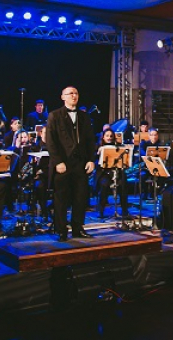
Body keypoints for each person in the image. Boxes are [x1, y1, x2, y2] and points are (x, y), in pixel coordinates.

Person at [47, 86, 96, 241]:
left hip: (80, 164)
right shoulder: (54, 115)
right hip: (63, 163)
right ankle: (61, 230)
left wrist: (91, 159)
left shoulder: (85, 116)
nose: (74, 96)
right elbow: (51, 141)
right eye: (70, 94)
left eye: (76, 93)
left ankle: (77, 228)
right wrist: (58, 161)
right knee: (61, 198)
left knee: (80, 197)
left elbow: (90, 140)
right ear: (63, 97)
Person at [95, 129, 129, 219]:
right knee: (104, 185)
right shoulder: (98, 147)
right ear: (103, 137)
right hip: (104, 173)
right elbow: (95, 163)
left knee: (123, 184)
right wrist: (98, 153)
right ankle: (100, 210)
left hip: (117, 171)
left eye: (111, 136)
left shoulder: (118, 146)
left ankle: (125, 210)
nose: (109, 138)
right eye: (107, 136)